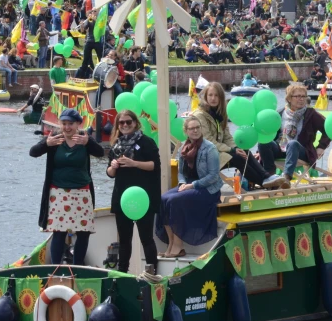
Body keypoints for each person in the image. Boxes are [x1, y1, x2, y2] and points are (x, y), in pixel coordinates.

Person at [29, 108, 104, 265]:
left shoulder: (84, 139)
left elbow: (100, 153)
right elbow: (33, 153)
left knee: (83, 232)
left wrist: (89, 142)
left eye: (71, 124)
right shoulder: (55, 139)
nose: (67, 127)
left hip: (82, 191)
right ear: (60, 124)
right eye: (64, 124)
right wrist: (46, 143)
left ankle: (77, 266)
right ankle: (56, 267)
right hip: (59, 192)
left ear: (78, 124)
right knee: (59, 232)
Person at [193, 82, 287, 190]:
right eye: (210, 95)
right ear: (205, 96)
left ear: (221, 98)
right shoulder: (200, 115)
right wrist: (232, 150)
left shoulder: (220, 115)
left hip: (218, 153)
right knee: (236, 157)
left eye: (216, 95)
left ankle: (266, 177)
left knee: (244, 151)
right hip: (206, 156)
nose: (213, 98)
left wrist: (237, 148)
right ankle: (264, 181)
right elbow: (208, 141)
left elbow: (227, 137)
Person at [157, 117, 223, 257]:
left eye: (197, 127)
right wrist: (182, 184)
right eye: (192, 128)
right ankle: (171, 244)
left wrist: (192, 186)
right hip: (189, 186)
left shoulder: (209, 148)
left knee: (176, 200)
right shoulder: (183, 148)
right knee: (163, 199)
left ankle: (178, 246)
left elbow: (214, 176)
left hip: (208, 190)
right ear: (186, 131)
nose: (195, 131)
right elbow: (181, 173)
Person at [106, 110, 161, 273]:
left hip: (143, 198)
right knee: (124, 240)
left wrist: (134, 163)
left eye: (128, 122)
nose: (124, 125)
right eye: (121, 123)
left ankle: (152, 272)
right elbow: (109, 173)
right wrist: (113, 167)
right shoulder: (116, 145)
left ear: (135, 123)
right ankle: (123, 273)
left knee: (146, 239)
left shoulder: (147, 142)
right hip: (122, 198)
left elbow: (154, 165)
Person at [258, 83, 330, 182]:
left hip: (301, 151)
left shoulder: (310, 114)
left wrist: (321, 147)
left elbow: (328, 128)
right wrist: (259, 152)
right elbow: (269, 133)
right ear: (289, 98)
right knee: (264, 143)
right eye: (297, 96)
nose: (301, 99)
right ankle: (269, 177)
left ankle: (286, 178)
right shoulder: (280, 113)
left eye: (303, 96)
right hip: (281, 148)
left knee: (292, 144)